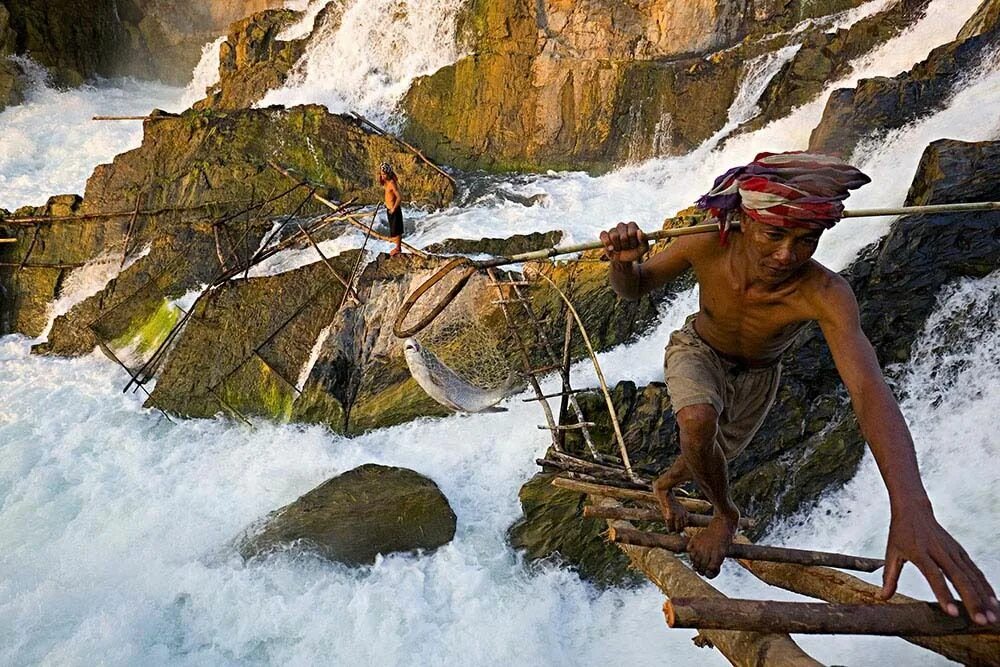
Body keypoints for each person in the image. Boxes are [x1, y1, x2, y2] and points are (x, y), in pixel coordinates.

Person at [601, 151, 998, 625]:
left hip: (758, 379)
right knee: (697, 422)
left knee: (705, 455)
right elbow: (636, 287)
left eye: (806, 240)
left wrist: (912, 505)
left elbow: (869, 389)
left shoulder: (824, 292)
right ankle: (725, 514)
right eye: (774, 234)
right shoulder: (705, 242)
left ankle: (664, 484)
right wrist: (624, 266)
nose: (787, 254)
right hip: (698, 349)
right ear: (744, 222)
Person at [379, 162, 404, 257]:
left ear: (388, 174)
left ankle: (398, 247)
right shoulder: (386, 182)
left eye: (384, 174)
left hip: (394, 209)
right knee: (393, 229)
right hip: (389, 209)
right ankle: (397, 245)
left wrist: (393, 208)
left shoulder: (392, 183)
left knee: (397, 229)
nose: (382, 176)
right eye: (381, 174)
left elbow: (399, 197)